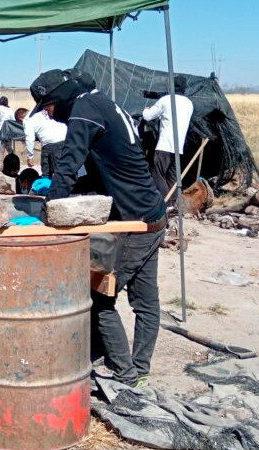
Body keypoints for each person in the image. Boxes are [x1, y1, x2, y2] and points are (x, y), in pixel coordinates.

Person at [30, 69, 168, 388]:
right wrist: (66, 190)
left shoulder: (84, 110)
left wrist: (49, 209)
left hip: (136, 223)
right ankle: (138, 368)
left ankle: (125, 375)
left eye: (48, 107)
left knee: (99, 299)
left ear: (59, 97)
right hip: (152, 213)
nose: (49, 115)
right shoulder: (101, 104)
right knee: (145, 301)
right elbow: (100, 170)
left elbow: (68, 161)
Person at [142, 75, 194, 206]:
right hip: (179, 147)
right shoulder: (189, 103)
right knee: (173, 178)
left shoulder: (165, 100)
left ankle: (167, 204)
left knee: (158, 174)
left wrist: (146, 109)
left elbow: (147, 117)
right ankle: (175, 205)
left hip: (165, 145)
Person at [24, 109, 67, 176]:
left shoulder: (28, 119)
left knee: (47, 175)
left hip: (50, 145)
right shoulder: (49, 110)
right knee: (65, 173)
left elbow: (29, 138)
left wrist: (30, 156)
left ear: (20, 118)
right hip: (66, 142)